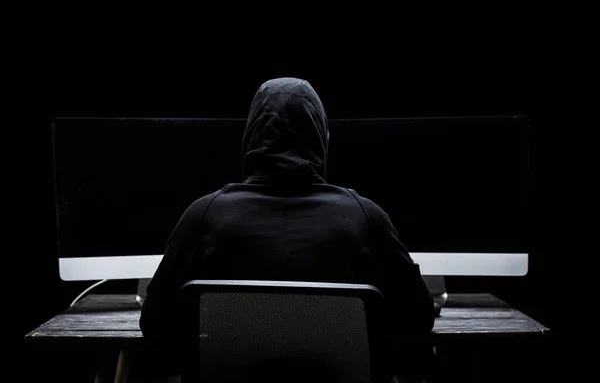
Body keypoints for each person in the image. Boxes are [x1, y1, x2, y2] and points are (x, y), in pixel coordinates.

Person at [139, 77, 438, 382]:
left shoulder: (204, 215)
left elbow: (154, 323)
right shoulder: (365, 216)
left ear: (251, 135)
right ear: (322, 137)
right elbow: (419, 317)